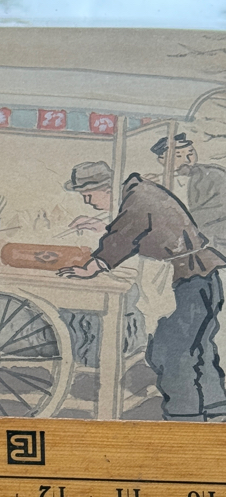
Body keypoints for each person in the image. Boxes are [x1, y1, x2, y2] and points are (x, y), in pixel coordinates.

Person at [60, 161, 226, 421]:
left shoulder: (139, 198)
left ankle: (184, 418)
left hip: (190, 282)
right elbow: (140, 228)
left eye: (88, 195)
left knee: (171, 353)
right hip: (202, 279)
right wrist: (101, 227)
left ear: (106, 188)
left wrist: (92, 267)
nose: (87, 202)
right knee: (198, 350)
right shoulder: (140, 193)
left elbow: (123, 237)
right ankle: (214, 409)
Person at [150, 133, 226, 253]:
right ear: (162, 160)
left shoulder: (214, 174)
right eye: (178, 155)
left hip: (212, 239)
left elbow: (221, 208)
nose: (187, 160)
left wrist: (184, 221)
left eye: (190, 153)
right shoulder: (156, 182)